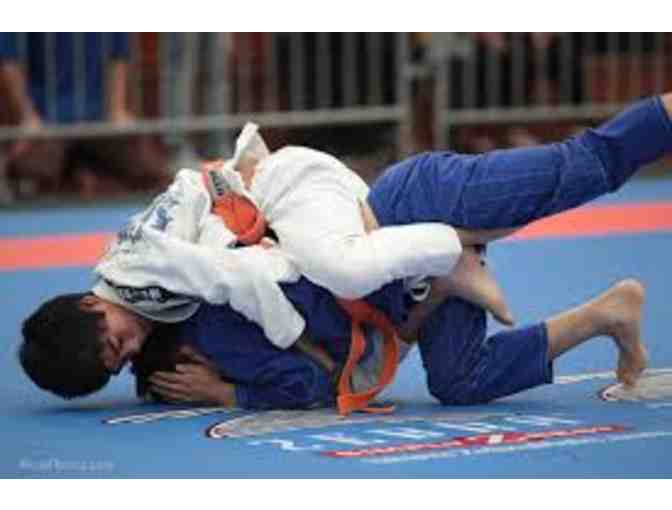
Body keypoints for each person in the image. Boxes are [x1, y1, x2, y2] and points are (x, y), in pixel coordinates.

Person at [18, 91, 672, 399]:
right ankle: (608, 313)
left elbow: (220, 234)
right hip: (397, 283)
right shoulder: (174, 337)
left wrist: (228, 396)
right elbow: (309, 375)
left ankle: (453, 253)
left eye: (114, 341)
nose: (129, 349)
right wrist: (219, 389)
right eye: (119, 363)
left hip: (407, 206)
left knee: (580, 168)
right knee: (458, 380)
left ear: (90, 304)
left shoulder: (150, 262)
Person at [136, 271, 647, 411]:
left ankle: (602, 314)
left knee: (458, 381)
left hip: (401, 278)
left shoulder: (214, 339)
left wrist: (227, 393)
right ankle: (437, 286)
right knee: (363, 364)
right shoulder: (203, 295)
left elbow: (310, 385)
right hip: (388, 250)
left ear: (185, 361)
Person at [0, 33, 169, 198]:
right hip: (47, 123)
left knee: (151, 171)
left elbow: (118, 54)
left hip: (100, 122)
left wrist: (117, 109)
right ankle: (78, 176)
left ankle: (85, 175)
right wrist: (28, 116)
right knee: (33, 171)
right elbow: (9, 58)